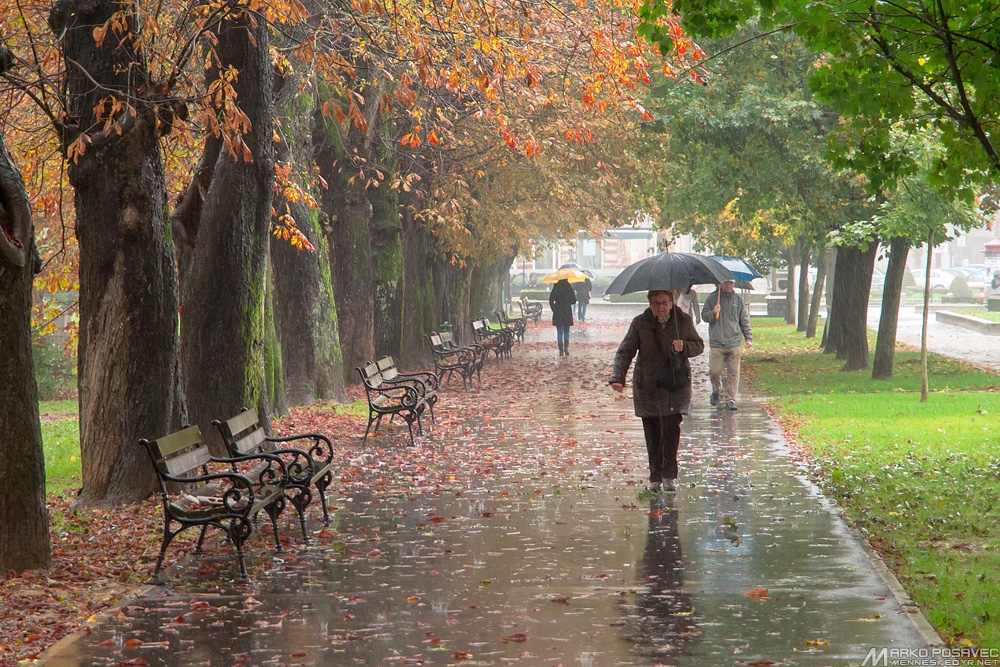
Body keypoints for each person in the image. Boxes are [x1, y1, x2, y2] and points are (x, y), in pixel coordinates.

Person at [609, 290, 704, 491]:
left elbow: (699, 345)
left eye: (664, 302)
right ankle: (655, 477)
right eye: (656, 303)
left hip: (674, 386)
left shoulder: (683, 321)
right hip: (648, 386)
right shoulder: (640, 323)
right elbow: (625, 351)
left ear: (671, 302)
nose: (661, 307)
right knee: (652, 434)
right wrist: (618, 377)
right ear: (650, 304)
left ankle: (669, 476)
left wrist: (684, 346)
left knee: (671, 431)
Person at [701, 280, 752, 411]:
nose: (728, 286)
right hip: (717, 343)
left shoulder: (738, 300)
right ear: (721, 284)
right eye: (726, 283)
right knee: (714, 371)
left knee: (733, 373)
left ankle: (730, 399)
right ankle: (716, 390)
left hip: (733, 342)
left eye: (731, 283)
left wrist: (748, 337)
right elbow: (704, 316)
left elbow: (744, 320)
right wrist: (713, 312)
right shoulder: (712, 299)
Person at [549, 278, 577, 356]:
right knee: (566, 331)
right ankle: (566, 348)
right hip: (567, 311)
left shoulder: (556, 287)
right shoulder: (569, 288)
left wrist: (554, 309)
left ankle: (561, 350)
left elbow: (551, 300)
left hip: (558, 311)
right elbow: (573, 301)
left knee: (559, 331)